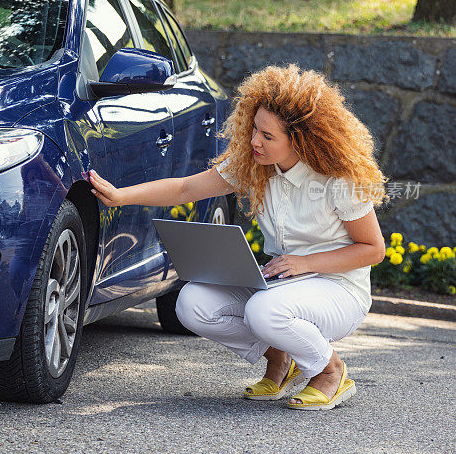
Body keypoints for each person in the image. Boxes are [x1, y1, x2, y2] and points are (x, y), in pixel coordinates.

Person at [89, 63, 388, 411]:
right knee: (192, 303)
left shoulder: (338, 179)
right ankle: (281, 359)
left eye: (267, 136)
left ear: (300, 139)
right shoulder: (253, 164)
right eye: (255, 129)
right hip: (282, 282)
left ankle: (330, 370)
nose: (253, 141)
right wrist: (121, 195)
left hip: (338, 289)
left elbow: (373, 249)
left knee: (264, 311)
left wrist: (305, 263)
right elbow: (186, 188)